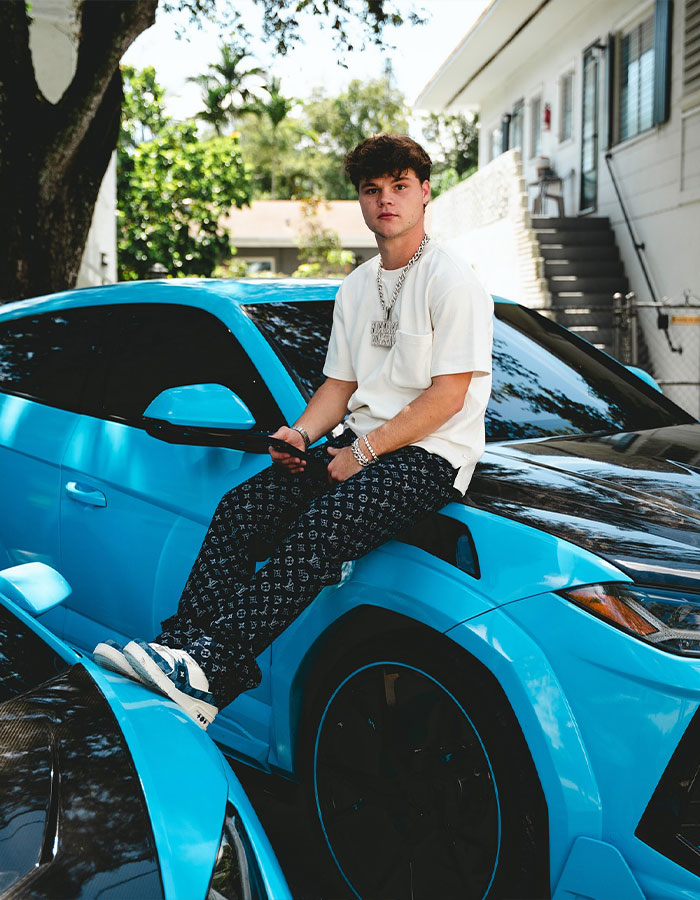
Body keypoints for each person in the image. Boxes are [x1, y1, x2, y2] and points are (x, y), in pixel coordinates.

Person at [93, 133, 494, 730]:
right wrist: (301, 435)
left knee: (323, 525)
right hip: (360, 445)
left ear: (425, 193)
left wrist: (363, 452)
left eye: (400, 186)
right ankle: (180, 652)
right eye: (372, 190)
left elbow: (448, 397)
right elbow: (339, 386)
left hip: (429, 455)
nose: (386, 199)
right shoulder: (357, 285)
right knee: (241, 509)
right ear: (360, 201)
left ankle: (214, 665)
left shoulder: (452, 279)